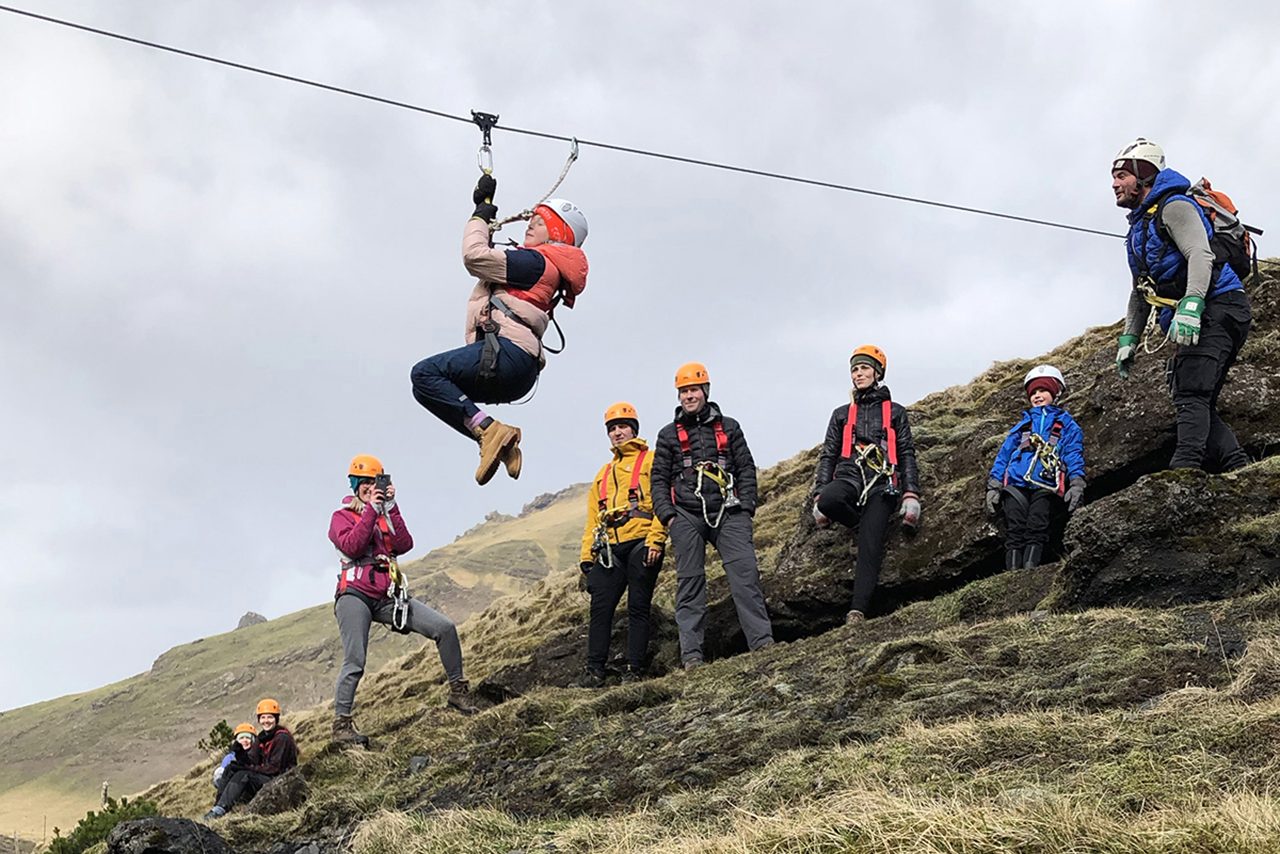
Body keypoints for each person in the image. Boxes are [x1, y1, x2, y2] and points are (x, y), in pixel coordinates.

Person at [409, 174, 589, 485]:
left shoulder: (535, 263)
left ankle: (490, 432)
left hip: (506, 355)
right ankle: (496, 440)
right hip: (518, 369)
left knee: (425, 374)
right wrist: (483, 208)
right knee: (426, 389)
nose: (530, 224)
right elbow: (492, 263)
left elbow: (475, 257)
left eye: (540, 222)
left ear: (557, 233)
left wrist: (479, 216)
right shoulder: (542, 268)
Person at [1111, 138, 1252, 472]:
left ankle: (1185, 467)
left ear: (1143, 176)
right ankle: (1237, 464)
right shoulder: (1138, 229)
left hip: (1218, 305)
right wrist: (1129, 338)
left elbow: (1200, 254)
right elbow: (1140, 290)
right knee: (1196, 395)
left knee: (1190, 391)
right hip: (1209, 310)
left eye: (1121, 176)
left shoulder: (1175, 206)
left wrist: (1191, 304)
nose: (1114, 184)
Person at [328, 455, 478, 748]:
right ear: (356, 485)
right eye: (365, 483)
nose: (371, 487)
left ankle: (459, 692)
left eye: (376, 482)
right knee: (355, 659)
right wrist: (372, 510)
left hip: (388, 596)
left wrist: (392, 508)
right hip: (354, 595)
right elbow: (353, 546)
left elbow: (405, 544)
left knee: (444, 628)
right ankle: (341, 724)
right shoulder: (341, 516)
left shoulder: (384, 514)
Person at [650, 363, 774, 669]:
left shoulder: (730, 427)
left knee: (745, 576)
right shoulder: (667, 435)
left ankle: (762, 644)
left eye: (693, 390)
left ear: (705, 391)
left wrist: (746, 508)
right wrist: (669, 517)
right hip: (686, 516)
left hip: (730, 512)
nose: (689, 396)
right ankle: (692, 656)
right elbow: (659, 480)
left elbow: (745, 468)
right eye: (683, 392)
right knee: (690, 583)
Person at [811, 345, 922, 624]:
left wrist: (911, 494)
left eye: (864, 368)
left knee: (870, 545)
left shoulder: (895, 412)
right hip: (849, 475)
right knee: (830, 500)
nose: (858, 374)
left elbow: (906, 453)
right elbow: (829, 454)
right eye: (854, 370)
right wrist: (819, 493)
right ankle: (859, 524)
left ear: (877, 373)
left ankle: (857, 610)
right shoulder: (841, 414)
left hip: (882, 481)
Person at [577, 403, 667, 686]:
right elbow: (593, 518)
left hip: (642, 541)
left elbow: (663, 503)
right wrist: (586, 557)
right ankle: (594, 671)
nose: (617, 433)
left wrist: (655, 540)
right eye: (612, 428)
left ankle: (635, 669)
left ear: (634, 430)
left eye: (623, 427)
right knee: (600, 610)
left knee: (638, 606)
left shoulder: (652, 461)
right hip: (609, 549)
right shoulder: (603, 474)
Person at [985, 365, 1087, 569]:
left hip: (1046, 484)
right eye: (1033, 392)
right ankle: (1013, 574)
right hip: (1016, 483)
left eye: (1043, 390)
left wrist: (1077, 482)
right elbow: (1003, 456)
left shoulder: (1067, 425)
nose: (1037, 396)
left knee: (1037, 526)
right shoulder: (1022, 427)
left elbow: (1073, 453)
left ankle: (1030, 571)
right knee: (1015, 529)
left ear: (1055, 393)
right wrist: (994, 485)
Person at [203, 699, 298, 819]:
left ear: (276, 718)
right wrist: (240, 753)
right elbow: (251, 760)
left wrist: (246, 767)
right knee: (231, 768)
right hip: (267, 777)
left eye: (270, 717)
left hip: (282, 779)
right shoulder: (262, 737)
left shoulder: (282, 738)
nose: (266, 721)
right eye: (263, 717)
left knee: (243, 774)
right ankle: (217, 807)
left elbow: (274, 768)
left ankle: (220, 810)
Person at [212, 723, 258, 797]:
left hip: (250, 784)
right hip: (231, 786)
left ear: (253, 740)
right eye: (241, 738)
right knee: (219, 772)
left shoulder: (258, 754)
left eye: (248, 737)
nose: (244, 740)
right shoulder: (230, 757)